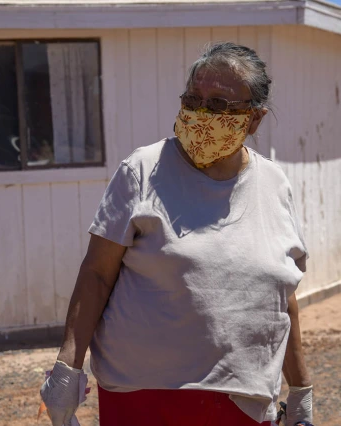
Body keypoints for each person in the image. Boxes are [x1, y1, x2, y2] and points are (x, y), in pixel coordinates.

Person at [40, 42, 313, 426]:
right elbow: (97, 275)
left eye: (219, 105)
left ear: (254, 120)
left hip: (244, 401)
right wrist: (67, 369)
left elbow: (283, 298)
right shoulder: (143, 171)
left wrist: (301, 391)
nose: (201, 114)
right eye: (193, 99)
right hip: (144, 397)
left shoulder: (274, 184)